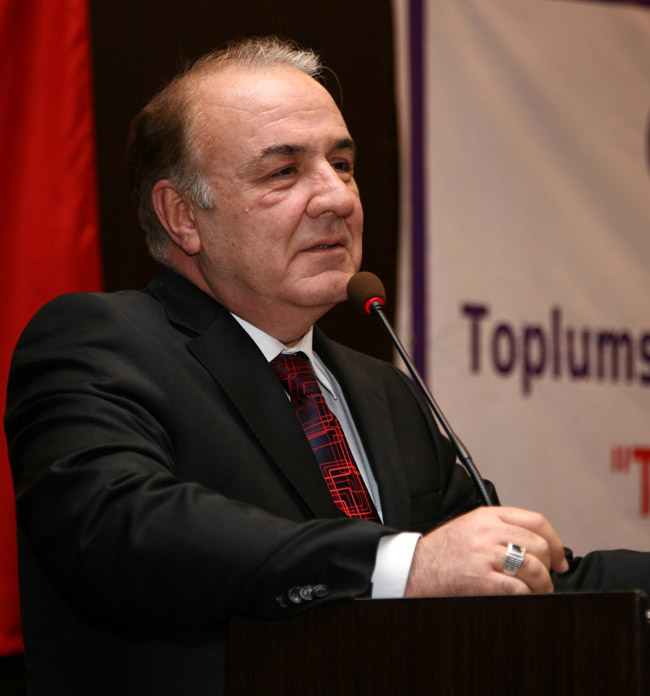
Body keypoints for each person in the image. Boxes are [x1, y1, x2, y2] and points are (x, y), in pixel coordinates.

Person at [5, 36, 649, 696]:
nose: (337, 198)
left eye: (342, 164)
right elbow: (124, 530)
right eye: (284, 172)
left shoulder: (383, 391)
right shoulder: (100, 342)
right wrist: (397, 562)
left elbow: (502, 571)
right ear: (183, 217)